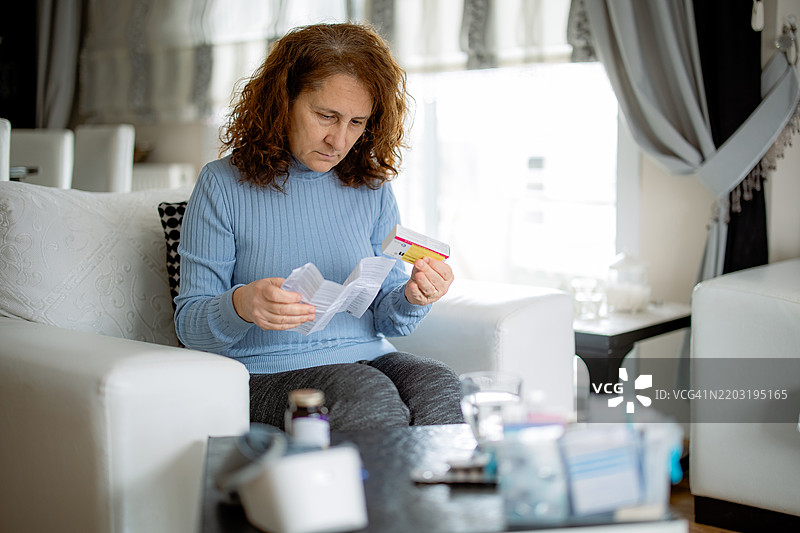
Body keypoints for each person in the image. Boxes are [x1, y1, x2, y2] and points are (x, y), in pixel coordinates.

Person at [174, 22, 464, 431]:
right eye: (326, 116)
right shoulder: (223, 184)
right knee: (364, 393)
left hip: (368, 355)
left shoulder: (371, 186)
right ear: (283, 102)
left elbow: (387, 317)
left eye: (357, 122)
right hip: (266, 373)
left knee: (440, 383)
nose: (339, 141)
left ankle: (440, 494)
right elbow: (191, 326)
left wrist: (414, 297)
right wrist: (241, 304)